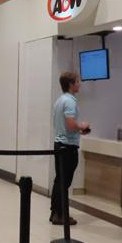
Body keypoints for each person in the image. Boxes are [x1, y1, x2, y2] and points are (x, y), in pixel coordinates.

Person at [50, 72, 91, 226]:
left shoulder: (59, 101)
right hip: (67, 146)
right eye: (77, 81)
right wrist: (82, 126)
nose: (79, 84)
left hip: (59, 144)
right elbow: (70, 124)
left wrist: (78, 129)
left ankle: (55, 212)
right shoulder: (70, 102)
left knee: (59, 180)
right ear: (70, 84)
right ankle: (61, 215)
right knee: (64, 182)